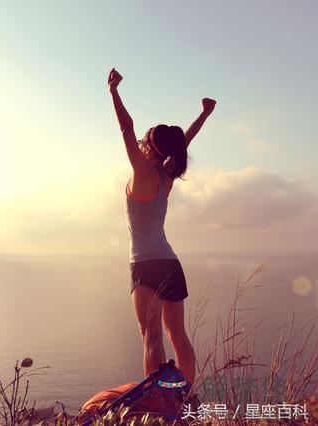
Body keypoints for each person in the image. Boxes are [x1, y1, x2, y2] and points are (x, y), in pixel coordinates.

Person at [107, 67, 216, 386]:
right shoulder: (166, 176)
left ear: (148, 144)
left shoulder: (141, 171)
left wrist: (113, 91)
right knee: (177, 335)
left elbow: (126, 128)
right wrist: (204, 114)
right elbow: (186, 139)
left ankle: (155, 401)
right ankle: (187, 393)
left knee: (150, 339)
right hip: (170, 263)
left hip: (144, 265)